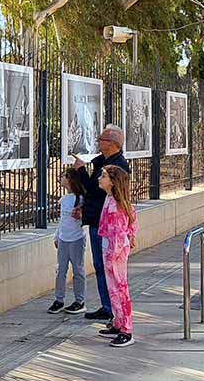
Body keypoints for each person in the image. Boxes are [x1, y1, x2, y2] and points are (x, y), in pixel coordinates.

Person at [75, 124, 131, 322]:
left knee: (111, 271)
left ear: (112, 144)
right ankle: (109, 307)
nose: (98, 142)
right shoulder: (103, 163)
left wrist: (81, 170)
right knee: (100, 267)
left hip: (106, 228)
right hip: (97, 220)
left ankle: (116, 313)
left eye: (102, 139)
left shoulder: (117, 167)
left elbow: (93, 189)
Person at [97, 165, 138, 347]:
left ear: (113, 182)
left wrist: (112, 255)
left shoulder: (116, 205)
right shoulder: (110, 199)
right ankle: (117, 322)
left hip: (115, 252)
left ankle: (126, 330)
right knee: (112, 289)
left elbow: (119, 233)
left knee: (120, 288)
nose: (100, 178)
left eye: (103, 176)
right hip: (110, 249)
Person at [48, 168, 88, 315]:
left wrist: (81, 216)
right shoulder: (64, 199)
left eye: (63, 176)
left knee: (78, 270)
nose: (61, 178)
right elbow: (62, 220)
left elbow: (86, 219)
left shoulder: (81, 199)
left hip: (76, 239)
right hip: (63, 240)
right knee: (61, 270)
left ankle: (80, 300)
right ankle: (59, 299)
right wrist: (57, 236)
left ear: (70, 179)